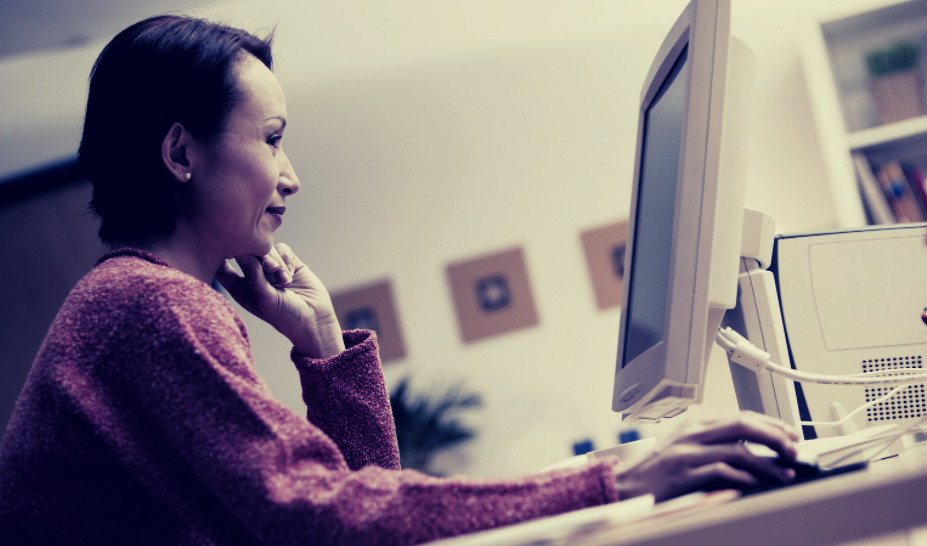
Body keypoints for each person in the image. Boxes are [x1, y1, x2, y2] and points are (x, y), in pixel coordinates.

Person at [0, 15, 800, 546]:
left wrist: (319, 344)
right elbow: (321, 517)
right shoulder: (147, 306)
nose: (291, 177)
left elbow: (346, 501)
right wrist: (614, 476)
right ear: (181, 155)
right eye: (272, 139)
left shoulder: (141, 299)